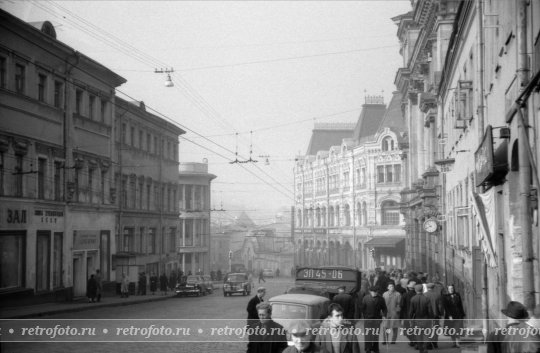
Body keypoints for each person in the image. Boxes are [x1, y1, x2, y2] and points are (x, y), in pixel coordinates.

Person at [409, 284, 434, 353]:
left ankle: (421, 349)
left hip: (417, 320)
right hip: (426, 319)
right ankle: (425, 347)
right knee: (426, 335)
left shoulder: (413, 299)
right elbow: (430, 311)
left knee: (418, 336)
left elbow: (411, 312)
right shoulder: (426, 299)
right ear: (422, 289)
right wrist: (432, 318)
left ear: (415, 290)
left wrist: (410, 319)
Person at [442, 284, 465, 348]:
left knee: (457, 329)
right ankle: (454, 342)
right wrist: (449, 315)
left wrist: (462, 313)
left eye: (452, 288)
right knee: (451, 330)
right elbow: (445, 307)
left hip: (458, 314)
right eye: (450, 289)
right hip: (450, 315)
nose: (451, 290)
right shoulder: (445, 296)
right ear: (448, 289)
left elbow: (460, 305)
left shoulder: (457, 295)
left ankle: (458, 342)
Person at [423, 282, 443, 349]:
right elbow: (440, 306)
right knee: (435, 329)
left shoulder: (424, 295)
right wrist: (441, 313)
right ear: (433, 287)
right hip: (436, 315)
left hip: (427, 316)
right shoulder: (438, 295)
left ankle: (428, 343)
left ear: (427, 288)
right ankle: (435, 343)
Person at [400, 280, 417, 347]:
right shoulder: (417, 294)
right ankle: (415, 341)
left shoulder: (405, 295)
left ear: (408, 288)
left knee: (407, 330)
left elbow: (401, 305)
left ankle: (412, 341)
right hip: (416, 316)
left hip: (407, 315)